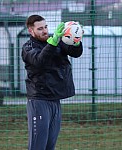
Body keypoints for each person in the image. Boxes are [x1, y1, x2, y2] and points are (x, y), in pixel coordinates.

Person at [21, 15, 83, 150]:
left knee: (50, 146)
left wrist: (76, 39)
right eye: (40, 29)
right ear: (31, 31)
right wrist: (53, 41)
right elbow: (40, 61)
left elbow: (74, 52)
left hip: (55, 100)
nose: (44, 31)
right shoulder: (28, 48)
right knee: (38, 146)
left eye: (46, 27)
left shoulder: (56, 42)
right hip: (39, 101)